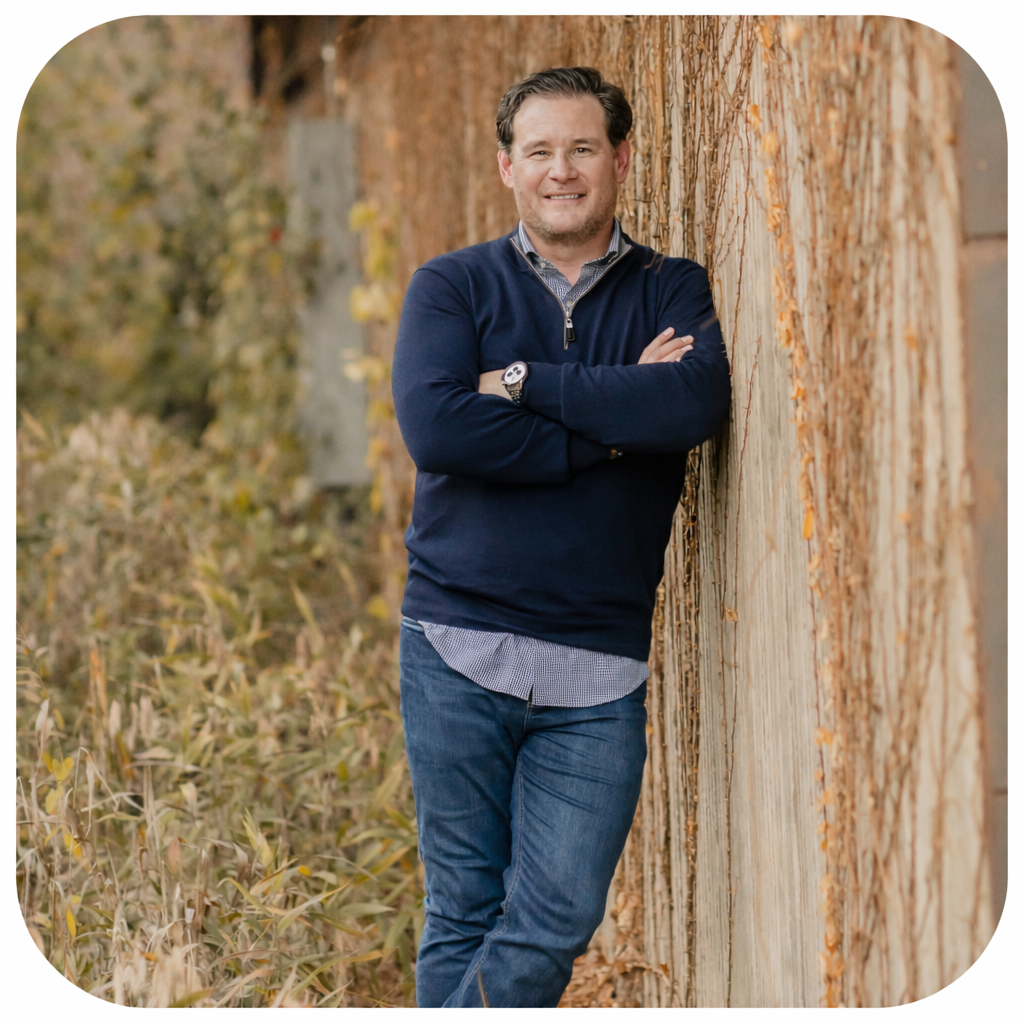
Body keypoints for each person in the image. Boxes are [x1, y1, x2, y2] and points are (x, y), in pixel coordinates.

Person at [391, 66, 730, 1008]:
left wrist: (522, 382)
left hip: (597, 670)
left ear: (619, 158)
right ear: (507, 168)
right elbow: (440, 430)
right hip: (456, 644)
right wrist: (620, 419)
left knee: (553, 921)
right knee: (462, 909)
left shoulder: (672, 287)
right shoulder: (452, 287)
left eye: (582, 148)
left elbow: (692, 402)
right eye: (539, 151)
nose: (562, 171)